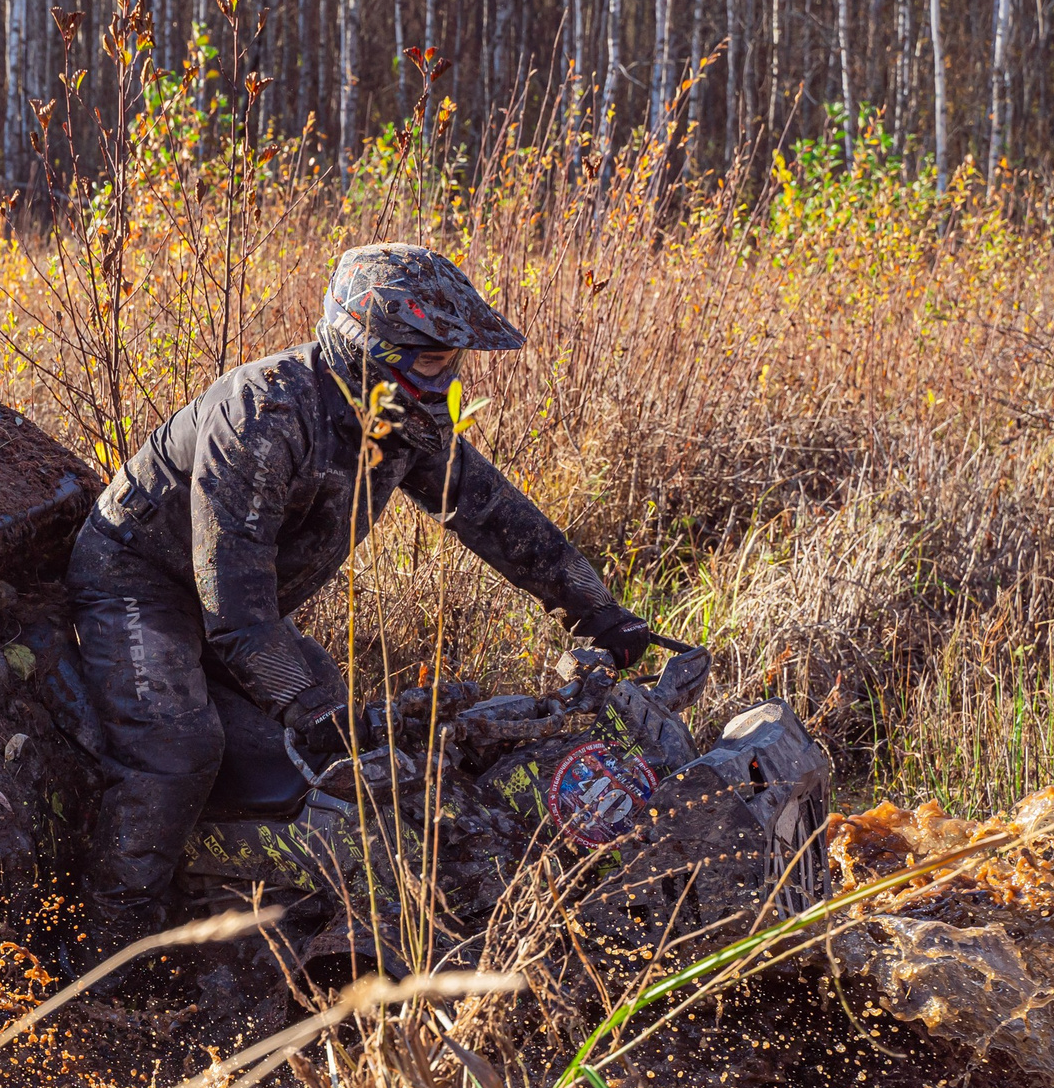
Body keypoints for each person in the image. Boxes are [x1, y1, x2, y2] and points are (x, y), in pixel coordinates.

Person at [64, 242, 650, 967]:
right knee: (180, 749)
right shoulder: (265, 417)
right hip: (141, 583)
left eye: (451, 360)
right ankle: (104, 959)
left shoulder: (395, 421)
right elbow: (237, 620)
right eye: (432, 359)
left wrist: (596, 611)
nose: (447, 375)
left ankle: (252, 907)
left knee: (343, 754)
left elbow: (494, 514)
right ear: (368, 349)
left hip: (240, 599)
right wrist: (309, 706)